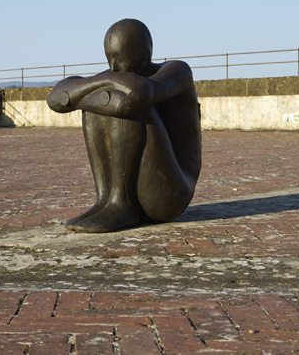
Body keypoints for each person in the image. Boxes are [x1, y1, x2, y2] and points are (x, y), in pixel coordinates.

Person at [47, 19, 202, 233]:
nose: (114, 68)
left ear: (145, 54)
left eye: (121, 59)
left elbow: (137, 96)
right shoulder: (114, 77)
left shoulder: (177, 71)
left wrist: (83, 93)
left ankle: (122, 203)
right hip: (147, 190)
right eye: (110, 59)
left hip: (172, 193)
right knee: (103, 103)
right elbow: (55, 99)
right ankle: (105, 200)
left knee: (128, 107)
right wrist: (101, 88)